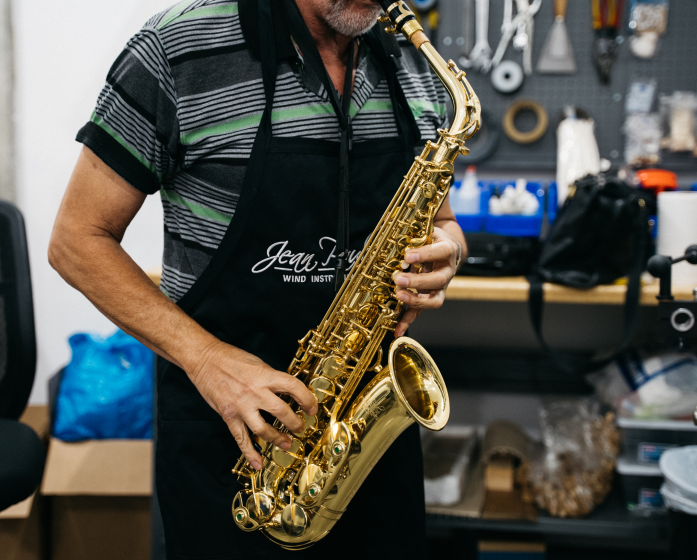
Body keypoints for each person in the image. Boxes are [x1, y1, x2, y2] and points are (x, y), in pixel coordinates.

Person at [49, 0, 467, 558]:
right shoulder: (176, 50)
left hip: (367, 440)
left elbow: (441, 220)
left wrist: (449, 250)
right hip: (230, 450)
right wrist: (206, 360)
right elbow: (77, 240)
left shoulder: (418, 65)